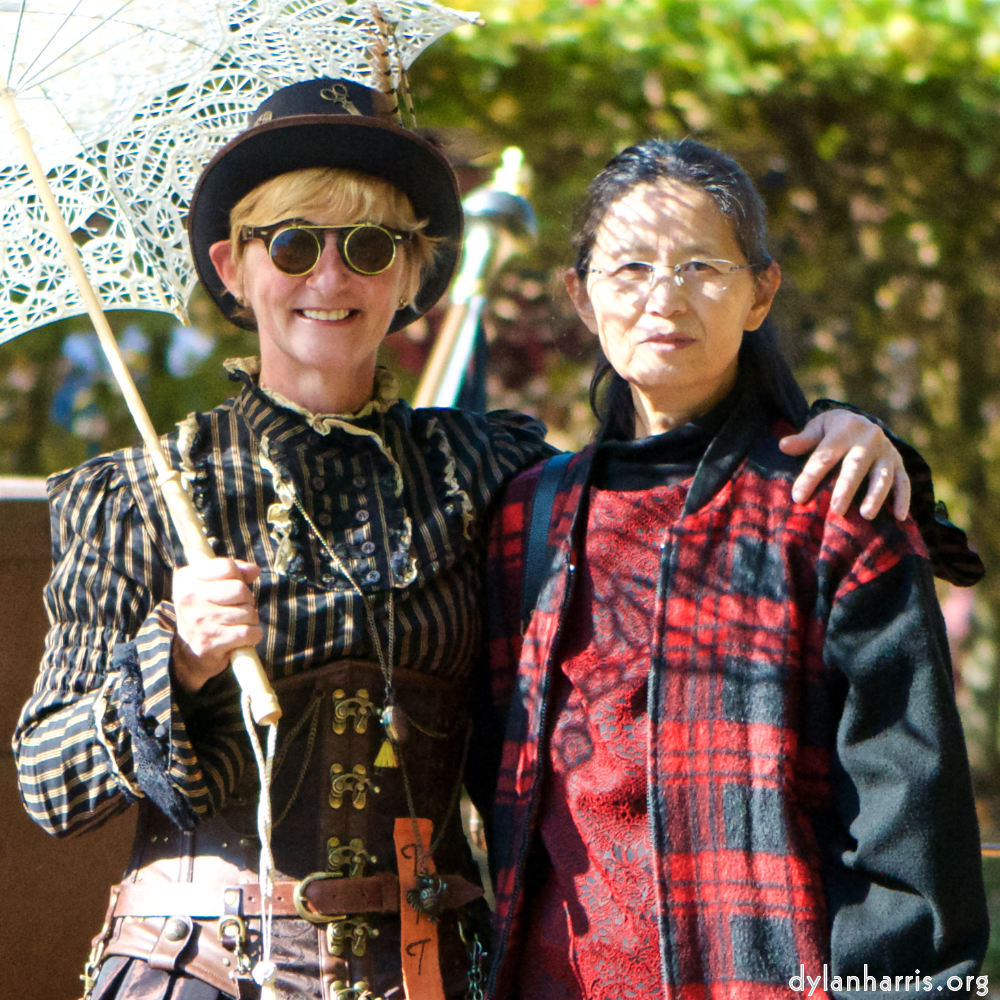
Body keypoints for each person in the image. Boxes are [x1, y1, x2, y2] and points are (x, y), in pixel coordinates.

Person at [11, 77, 931, 1000]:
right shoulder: (136, 495)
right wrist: (174, 658)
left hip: (424, 970)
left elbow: (661, 492)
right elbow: (49, 788)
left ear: (412, 275)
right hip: (197, 970)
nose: (329, 280)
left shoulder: (486, 471)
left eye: (368, 248)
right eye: (290, 244)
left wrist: (838, 431)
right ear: (230, 265)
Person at [482, 138, 988, 1000]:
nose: (663, 298)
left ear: (761, 292)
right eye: (630, 266)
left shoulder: (836, 512)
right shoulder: (528, 517)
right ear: (581, 294)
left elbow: (909, 819)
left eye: (702, 266)